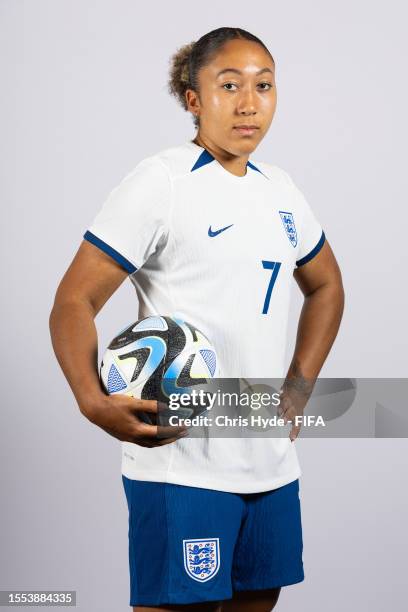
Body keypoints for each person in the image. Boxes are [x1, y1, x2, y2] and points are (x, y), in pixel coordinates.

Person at [49, 26, 344, 612]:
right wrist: (90, 397)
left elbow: (327, 285)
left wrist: (299, 385)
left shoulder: (281, 191)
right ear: (193, 99)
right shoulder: (160, 183)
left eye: (264, 85)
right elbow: (72, 301)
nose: (248, 102)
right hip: (182, 460)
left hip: (268, 461)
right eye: (228, 84)